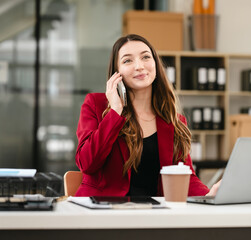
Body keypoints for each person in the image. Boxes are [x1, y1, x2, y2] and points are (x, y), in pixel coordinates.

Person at [75, 34, 220, 197]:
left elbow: (186, 177)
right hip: (103, 211)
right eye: (127, 60)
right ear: (117, 73)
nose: (139, 66)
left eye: (145, 57)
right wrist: (115, 112)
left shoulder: (174, 120)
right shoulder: (96, 104)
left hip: (152, 214)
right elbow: (87, 163)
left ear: (156, 65)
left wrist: (208, 196)